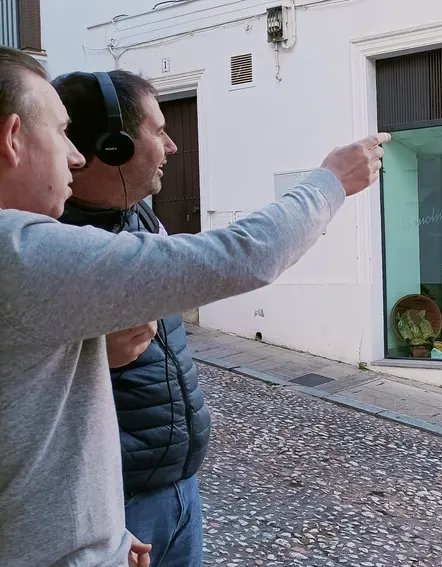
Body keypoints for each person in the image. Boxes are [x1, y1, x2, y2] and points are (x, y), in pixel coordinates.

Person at [0, 46, 389, 567]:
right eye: (60, 132)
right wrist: (330, 182)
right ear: (11, 139)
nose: (74, 155)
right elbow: (242, 256)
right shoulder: (23, 253)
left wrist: (100, 535)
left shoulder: (119, 225)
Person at [52, 69, 209, 566]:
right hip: (111, 509)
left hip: (181, 487)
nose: (172, 145)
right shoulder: (43, 237)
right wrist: (97, 354)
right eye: (158, 130)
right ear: (113, 146)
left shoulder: (140, 211)